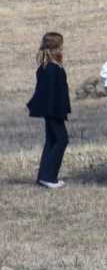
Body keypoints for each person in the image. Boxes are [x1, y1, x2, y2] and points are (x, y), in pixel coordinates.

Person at [28, 32, 71, 188]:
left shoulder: (47, 66)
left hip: (52, 110)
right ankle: (48, 176)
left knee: (52, 140)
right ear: (56, 47)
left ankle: (44, 177)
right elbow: (52, 94)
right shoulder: (52, 68)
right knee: (62, 139)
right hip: (53, 111)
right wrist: (57, 112)